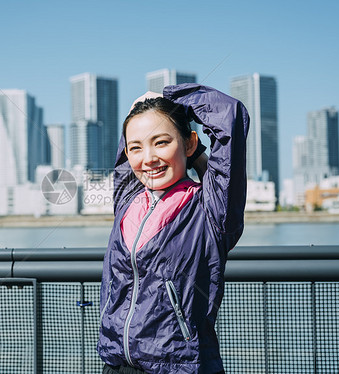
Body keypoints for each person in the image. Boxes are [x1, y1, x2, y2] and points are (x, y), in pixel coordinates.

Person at [97, 83, 249, 374]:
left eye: (162, 142)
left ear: (190, 143)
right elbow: (127, 155)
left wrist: (172, 96)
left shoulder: (211, 209)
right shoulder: (127, 200)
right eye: (136, 148)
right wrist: (138, 109)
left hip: (183, 366)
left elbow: (229, 116)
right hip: (117, 364)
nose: (148, 158)